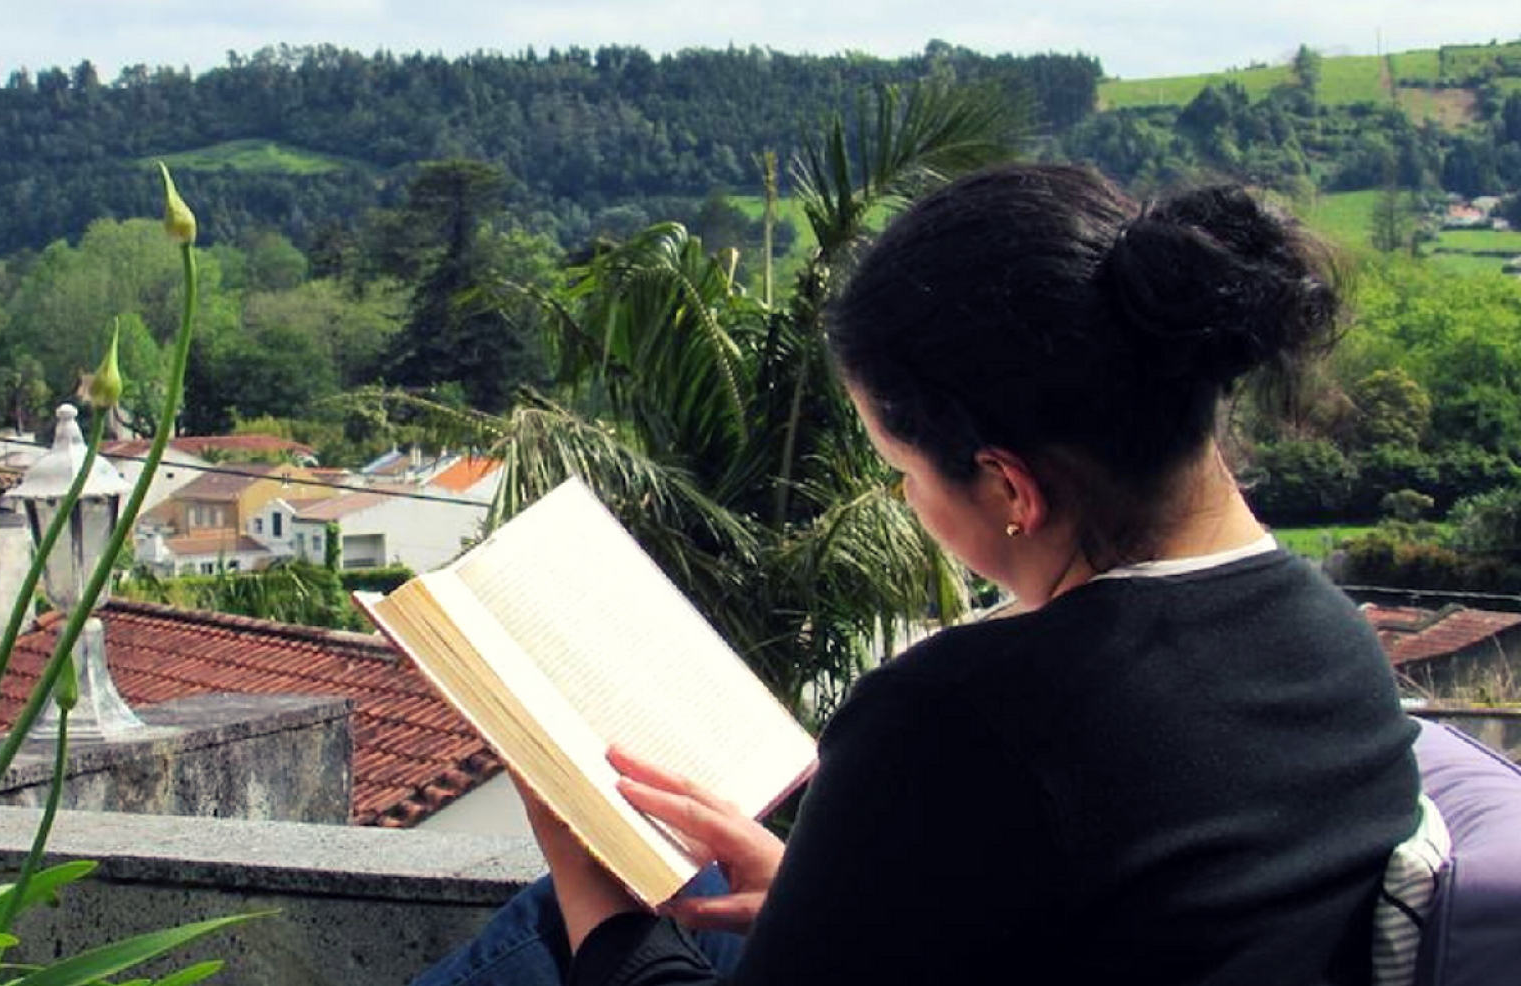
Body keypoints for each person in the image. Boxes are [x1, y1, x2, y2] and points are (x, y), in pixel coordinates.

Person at [411, 163, 1421, 986]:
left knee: (561, 922)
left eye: (900, 470)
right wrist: (833, 892)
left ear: (1006, 483)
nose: (903, 502)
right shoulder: (1329, 638)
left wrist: (596, 899)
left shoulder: (965, 713)